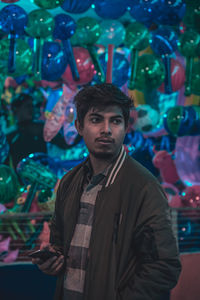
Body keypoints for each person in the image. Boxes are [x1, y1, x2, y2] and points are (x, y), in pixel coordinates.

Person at [32, 83, 181, 300]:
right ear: (79, 126)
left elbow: (164, 266)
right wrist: (53, 261)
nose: (107, 129)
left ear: (125, 128)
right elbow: (59, 244)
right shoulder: (68, 182)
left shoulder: (143, 188)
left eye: (116, 121)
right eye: (96, 120)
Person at [5, 93, 81, 170]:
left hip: (44, 177)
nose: (31, 109)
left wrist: (82, 128)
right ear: (16, 109)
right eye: (27, 106)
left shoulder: (40, 128)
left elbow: (65, 144)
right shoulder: (10, 135)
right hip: (22, 179)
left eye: (32, 106)